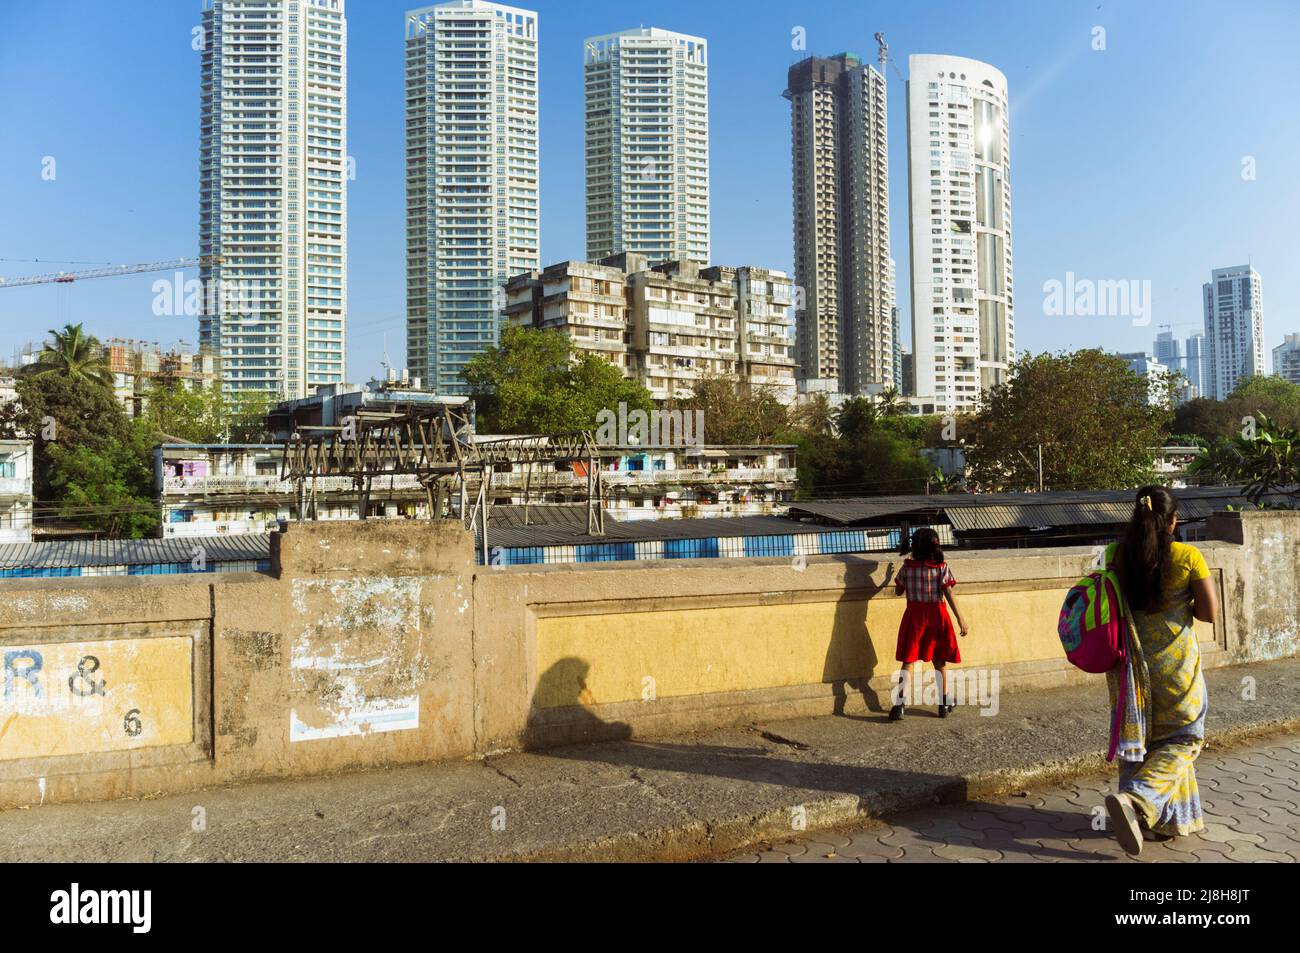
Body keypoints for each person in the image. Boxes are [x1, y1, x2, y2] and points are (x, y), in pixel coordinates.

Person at [1103, 486, 1219, 856]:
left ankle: (1164, 823)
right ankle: (1136, 802)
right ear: (1172, 520)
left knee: (1145, 742)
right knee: (1184, 740)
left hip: (1131, 669)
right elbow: (1209, 613)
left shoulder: (1114, 555)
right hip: (1175, 670)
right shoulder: (1188, 556)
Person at [890, 528, 970, 720]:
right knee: (939, 661)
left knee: (908, 661)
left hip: (914, 616)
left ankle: (899, 706)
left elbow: (898, 592)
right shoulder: (941, 567)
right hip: (937, 615)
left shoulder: (907, 568)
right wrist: (961, 618)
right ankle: (944, 703)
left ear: (915, 546)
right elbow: (949, 592)